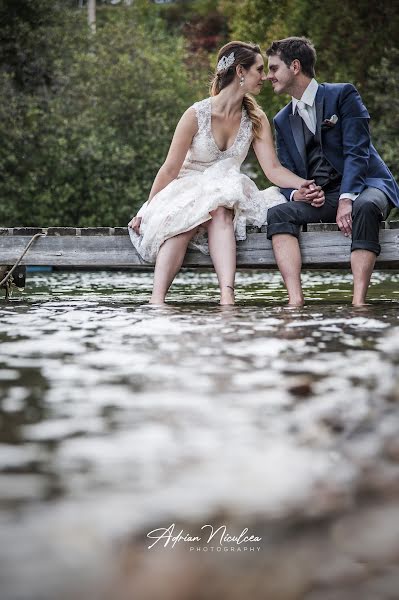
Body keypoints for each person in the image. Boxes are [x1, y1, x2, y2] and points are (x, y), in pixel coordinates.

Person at [128, 41, 320, 305]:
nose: (264, 77)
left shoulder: (256, 118)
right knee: (185, 219)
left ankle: (227, 297)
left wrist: (304, 185)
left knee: (220, 208)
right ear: (240, 71)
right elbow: (170, 168)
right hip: (187, 187)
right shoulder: (196, 114)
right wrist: (147, 209)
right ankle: (157, 300)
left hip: (226, 191)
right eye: (258, 69)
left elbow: (273, 170)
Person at [265, 37, 399, 306]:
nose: (269, 76)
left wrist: (348, 198)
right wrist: (298, 193)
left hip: (365, 185)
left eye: (273, 68)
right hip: (324, 196)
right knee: (278, 213)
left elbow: (357, 151)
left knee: (366, 205)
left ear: (294, 66)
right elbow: (285, 172)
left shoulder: (342, 95)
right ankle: (295, 301)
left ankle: (358, 302)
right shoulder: (281, 119)